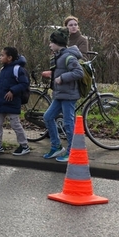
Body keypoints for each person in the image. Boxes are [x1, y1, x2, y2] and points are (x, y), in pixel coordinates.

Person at [42, 28, 84, 162]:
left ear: (57, 43)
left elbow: (79, 72)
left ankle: (72, 151)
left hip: (69, 95)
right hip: (59, 94)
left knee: (68, 123)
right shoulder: (58, 56)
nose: (49, 45)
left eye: (51, 42)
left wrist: (62, 78)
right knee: (48, 117)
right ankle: (56, 146)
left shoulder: (68, 56)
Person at [0, 46, 31, 157]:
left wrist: (12, 91)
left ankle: (24, 145)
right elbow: (2, 83)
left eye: (2, 55)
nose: (0, 57)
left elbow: (24, 83)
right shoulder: (2, 70)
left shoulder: (17, 69)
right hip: (1, 102)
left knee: (15, 124)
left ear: (9, 57)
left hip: (12, 102)